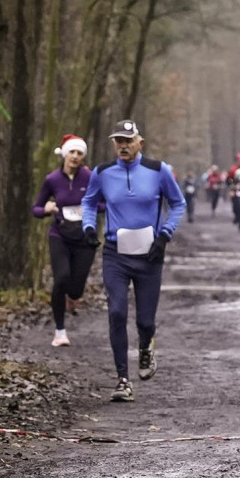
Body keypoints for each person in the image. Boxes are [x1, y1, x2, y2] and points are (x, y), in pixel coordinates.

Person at [81, 119, 186, 402]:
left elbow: (178, 204)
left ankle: (146, 346)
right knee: (116, 312)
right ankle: (122, 380)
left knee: (145, 321)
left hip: (149, 254)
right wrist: (89, 228)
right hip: (116, 253)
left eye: (128, 140)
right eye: (118, 141)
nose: (123, 145)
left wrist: (165, 235)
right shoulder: (102, 173)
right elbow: (89, 203)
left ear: (140, 142)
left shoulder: (158, 171)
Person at [32, 134, 99, 347]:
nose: (76, 157)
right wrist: (46, 209)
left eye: (80, 153)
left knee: (76, 288)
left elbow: (106, 203)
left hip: (85, 236)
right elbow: (36, 208)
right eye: (72, 152)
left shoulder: (90, 178)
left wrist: (90, 208)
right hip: (59, 235)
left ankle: (74, 296)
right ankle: (60, 331)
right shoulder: (52, 180)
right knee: (61, 278)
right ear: (64, 154)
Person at [226, 153, 240, 226]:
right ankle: (236, 216)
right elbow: (228, 180)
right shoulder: (233, 169)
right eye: (239, 160)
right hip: (234, 189)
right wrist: (231, 189)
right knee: (235, 205)